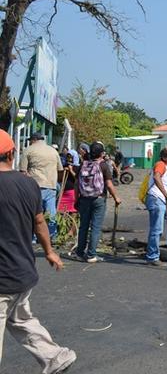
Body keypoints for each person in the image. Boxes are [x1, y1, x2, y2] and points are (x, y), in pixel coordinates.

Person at [0, 129, 77, 373]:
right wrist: (50, 251)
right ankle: (55, 357)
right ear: (12, 153)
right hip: (22, 272)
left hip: (2, 278)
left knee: (16, 318)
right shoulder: (28, 184)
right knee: (20, 320)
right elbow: (40, 222)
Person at [76, 142, 122, 263]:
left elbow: (77, 184)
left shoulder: (83, 164)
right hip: (99, 199)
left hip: (84, 198)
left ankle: (79, 253)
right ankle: (91, 255)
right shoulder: (103, 166)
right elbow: (109, 184)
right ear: (102, 153)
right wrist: (116, 197)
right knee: (95, 227)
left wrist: (77, 199)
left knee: (83, 226)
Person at [19, 132, 63, 242]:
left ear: (33, 140)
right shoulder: (53, 151)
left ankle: (33, 237)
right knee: (50, 213)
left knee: (33, 212)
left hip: (34, 185)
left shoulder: (28, 150)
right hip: (50, 185)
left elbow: (23, 171)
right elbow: (60, 169)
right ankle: (51, 235)